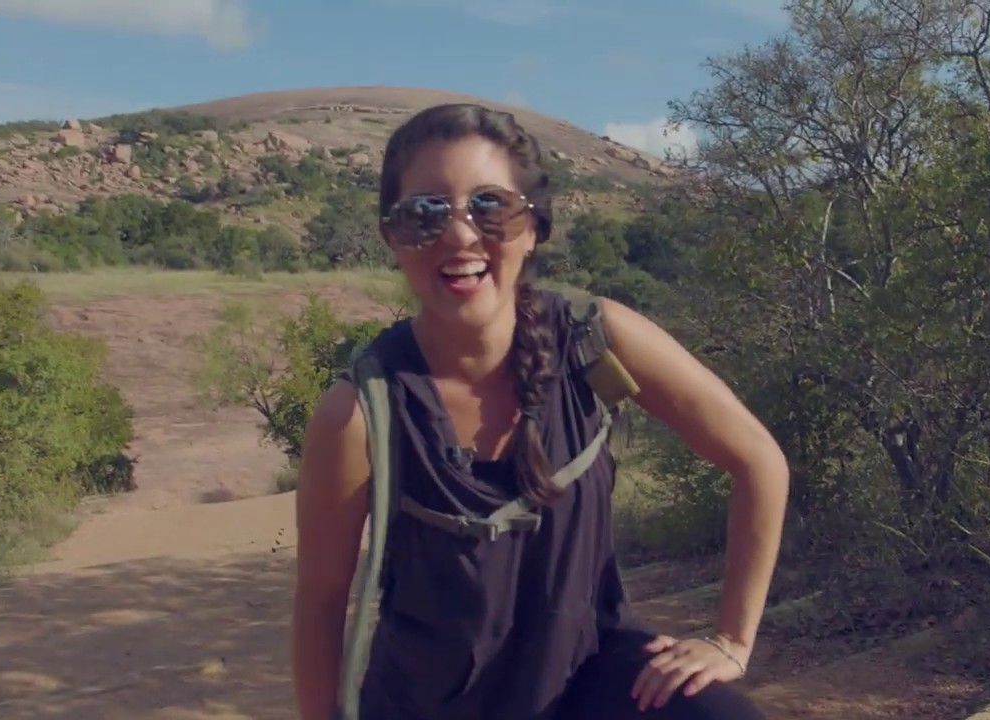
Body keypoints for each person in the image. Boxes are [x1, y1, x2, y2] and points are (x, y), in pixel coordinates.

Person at [291, 102, 790, 720]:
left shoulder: (594, 339)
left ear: (533, 227)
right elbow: (320, 604)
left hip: (591, 682)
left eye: (489, 207)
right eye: (425, 213)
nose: (460, 235)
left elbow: (757, 459)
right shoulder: (361, 411)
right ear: (394, 238)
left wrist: (731, 640)